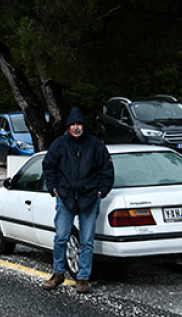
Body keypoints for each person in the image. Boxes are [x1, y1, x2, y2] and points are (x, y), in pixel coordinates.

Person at [41, 107, 114, 293]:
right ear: (68, 126)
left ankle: (83, 277)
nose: (75, 128)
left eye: (79, 124)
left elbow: (107, 171)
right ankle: (58, 273)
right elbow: (48, 166)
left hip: (89, 199)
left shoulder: (96, 145)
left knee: (87, 241)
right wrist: (54, 189)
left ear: (84, 126)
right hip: (65, 199)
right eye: (72, 124)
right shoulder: (59, 144)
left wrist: (100, 193)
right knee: (61, 237)